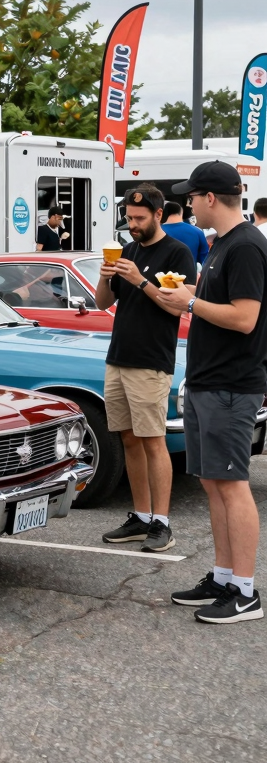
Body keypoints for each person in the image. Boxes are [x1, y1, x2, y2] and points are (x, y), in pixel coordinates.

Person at [158, 161, 267, 623]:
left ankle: (245, 592)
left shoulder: (246, 246)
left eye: (191, 197)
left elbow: (245, 318)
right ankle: (224, 578)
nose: (188, 205)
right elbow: (219, 305)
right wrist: (186, 295)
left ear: (209, 198)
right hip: (208, 380)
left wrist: (190, 302)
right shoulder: (222, 243)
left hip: (231, 384)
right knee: (212, 482)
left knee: (232, 485)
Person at [96, 184, 195, 553]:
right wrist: (105, 275)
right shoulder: (127, 250)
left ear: (158, 214)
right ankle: (140, 517)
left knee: (154, 441)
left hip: (151, 360)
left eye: (139, 218)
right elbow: (102, 302)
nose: (133, 224)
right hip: (119, 355)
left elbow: (178, 306)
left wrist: (140, 280)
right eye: (129, 218)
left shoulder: (178, 252)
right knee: (128, 438)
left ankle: (162, 523)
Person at [162, 200, 209, 267]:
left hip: (161, 273)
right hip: (189, 272)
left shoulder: (157, 232)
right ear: (181, 212)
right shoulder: (197, 231)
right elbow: (205, 260)